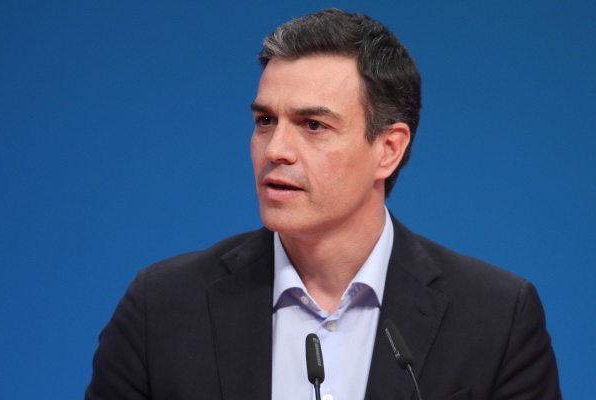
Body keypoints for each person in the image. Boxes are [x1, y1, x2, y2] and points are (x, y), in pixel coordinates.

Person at [86, 8, 561, 400]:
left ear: (388, 150)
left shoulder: (496, 318)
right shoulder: (161, 309)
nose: (275, 150)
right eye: (265, 121)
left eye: (313, 125)